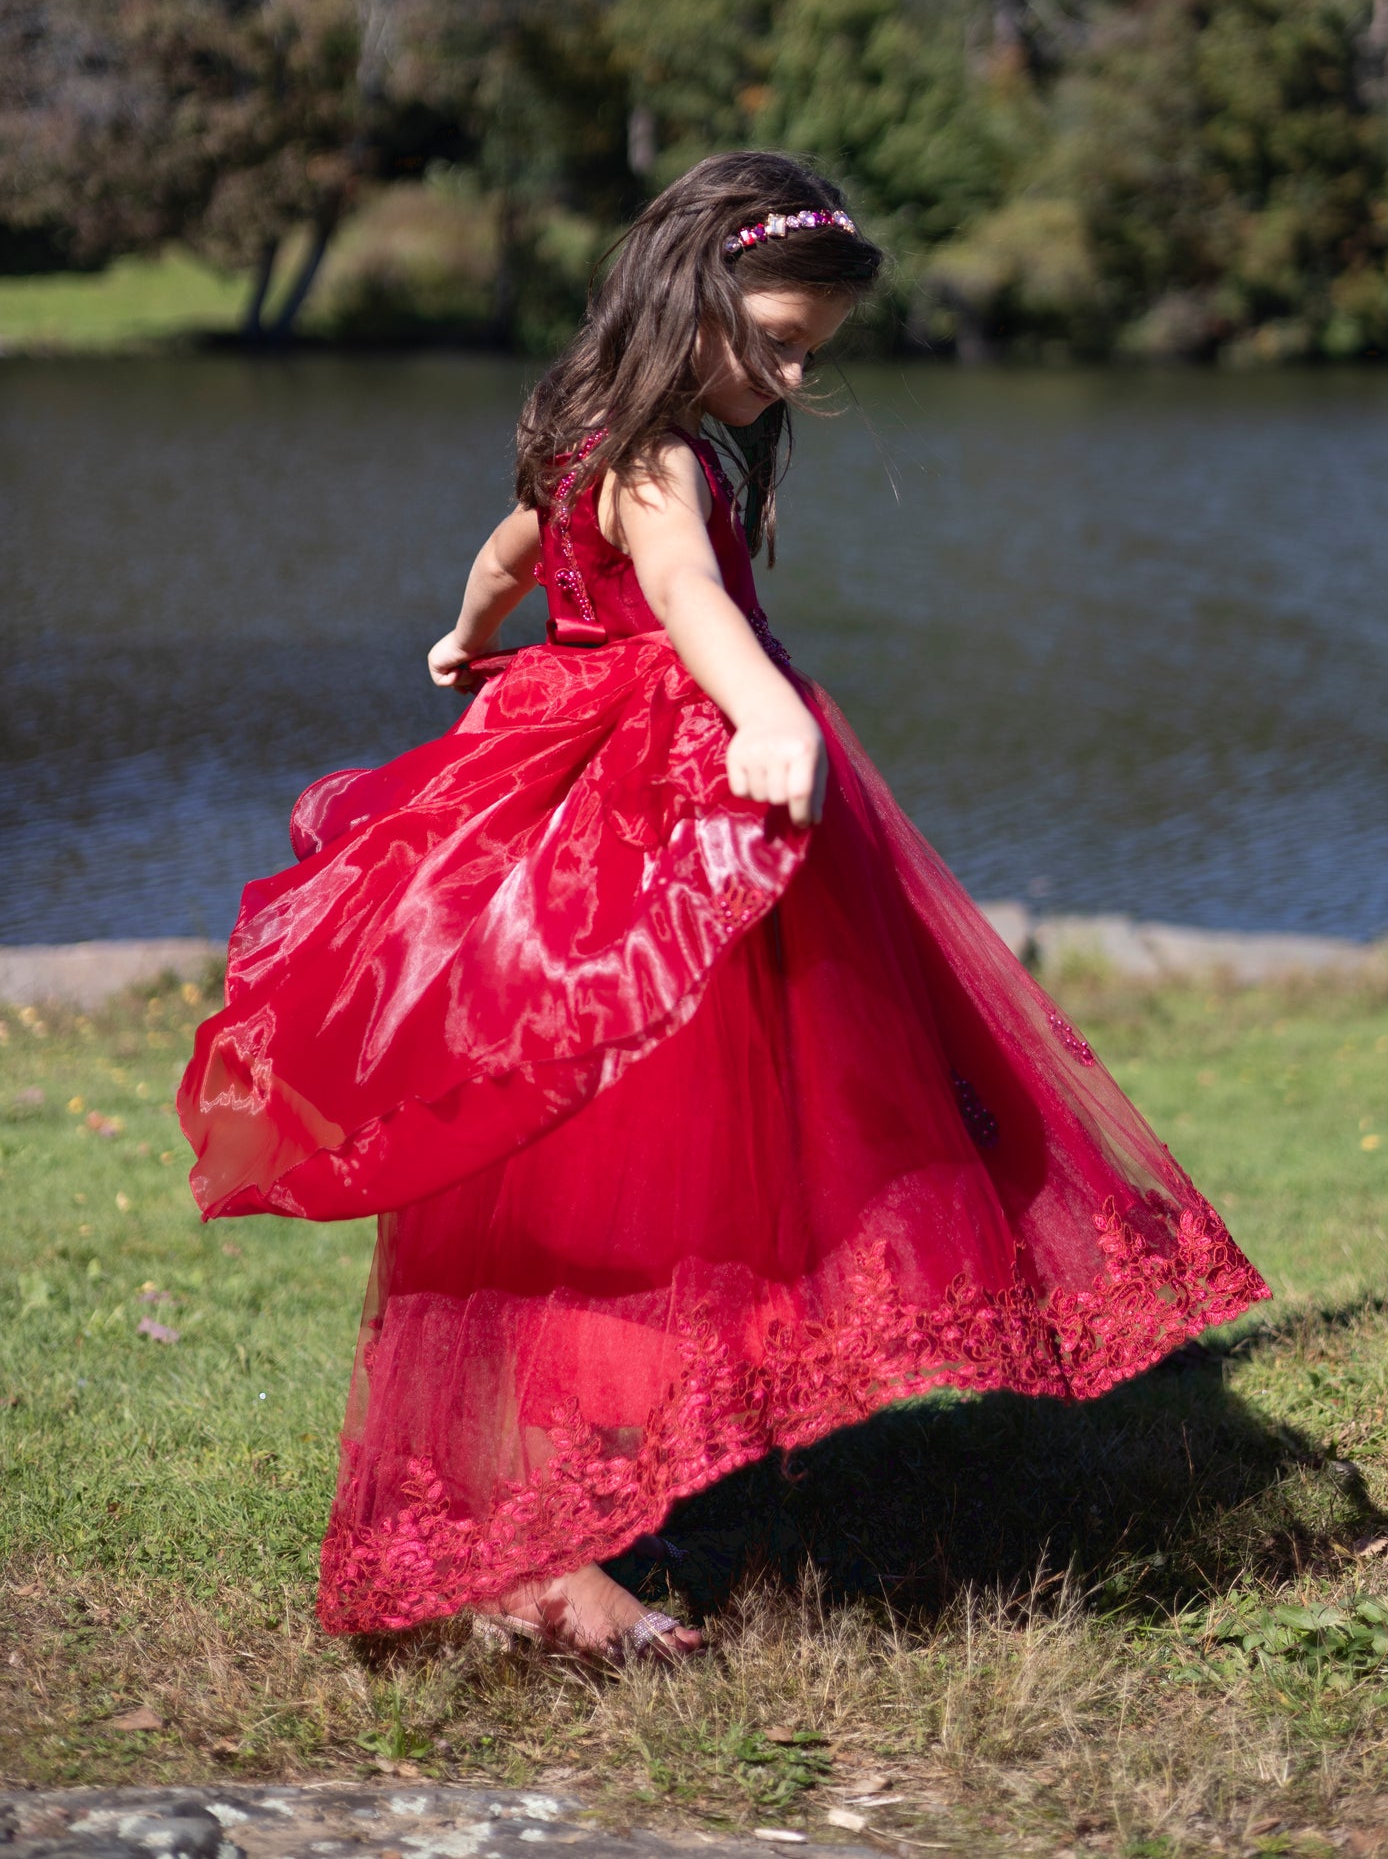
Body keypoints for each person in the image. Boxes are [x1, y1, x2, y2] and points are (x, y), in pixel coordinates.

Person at [177, 151, 1268, 1663]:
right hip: (660, 804)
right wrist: (769, 715)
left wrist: (467, 626)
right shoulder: (656, 457)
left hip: (634, 785)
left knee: (684, 1146)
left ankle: (630, 1492)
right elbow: (686, 593)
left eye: (809, 353)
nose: (785, 375)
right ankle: (557, 1554)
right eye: (768, 341)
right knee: (643, 1154)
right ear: (688, 298)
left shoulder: (591, 425)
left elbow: (509, 545)